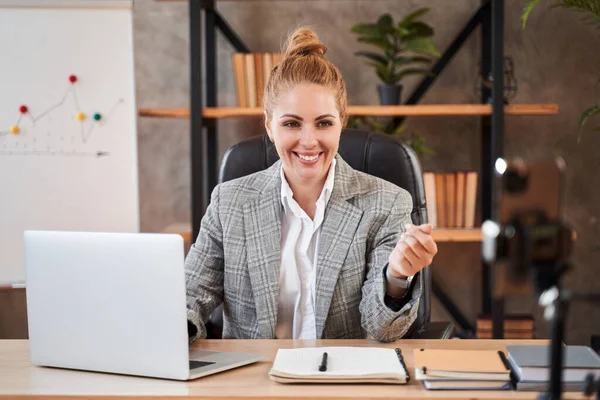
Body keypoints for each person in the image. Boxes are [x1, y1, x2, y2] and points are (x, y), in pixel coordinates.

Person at [185, 27, 438, 343]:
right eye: (291, 123)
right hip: (254, 381)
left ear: (341, 123)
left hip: (341, 380)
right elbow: (191, 294)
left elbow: (381, 328)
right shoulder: (230, 202)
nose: (309, 141)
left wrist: (397, 276)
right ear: (269, 126)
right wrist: (174, 327)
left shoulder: (386, 203)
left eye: (324, 123)